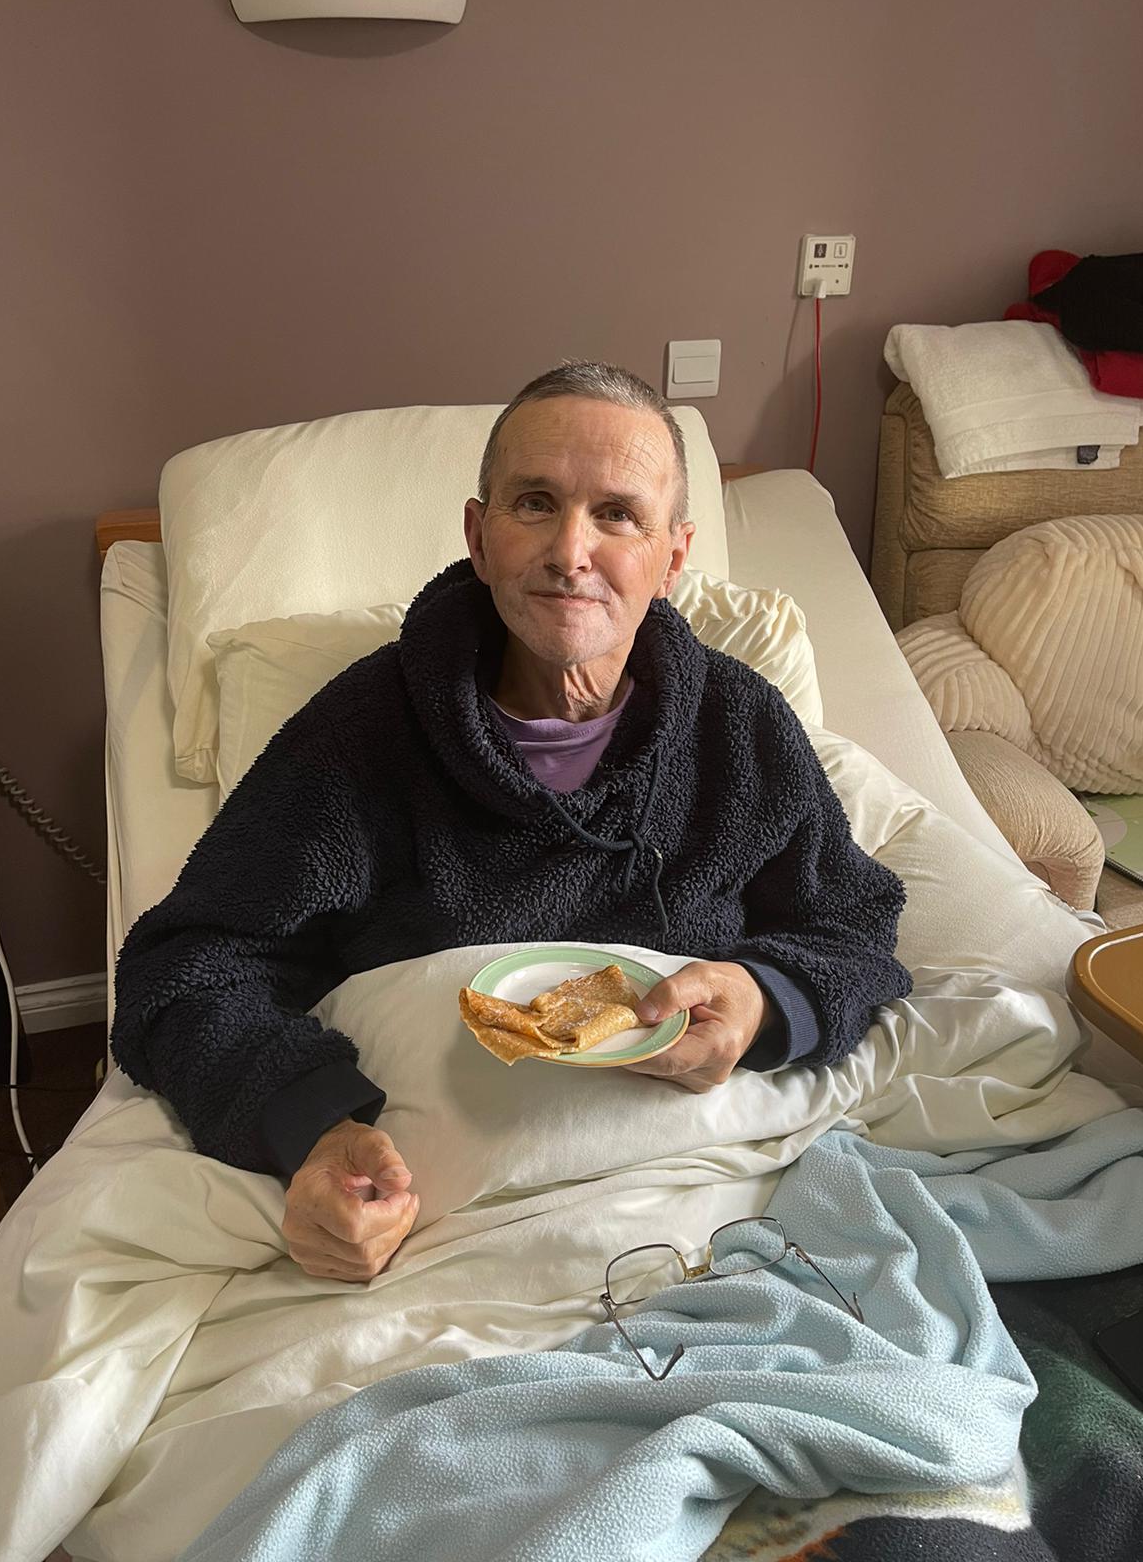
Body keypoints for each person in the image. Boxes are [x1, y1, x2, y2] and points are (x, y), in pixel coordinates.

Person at [112, 361, 912, 1284]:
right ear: (478, 536)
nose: (571, 551)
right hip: (447, 1217)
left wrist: (765, 1002)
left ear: (673, 557)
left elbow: (852, 923)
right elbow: (188, 965)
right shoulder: (361, 735)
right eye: (535, 503)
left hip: (710, 1196)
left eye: (618, 514)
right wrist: (310, 1126)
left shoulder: (739, 727)